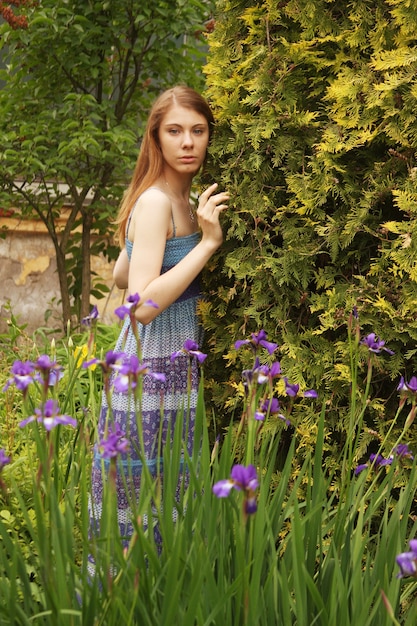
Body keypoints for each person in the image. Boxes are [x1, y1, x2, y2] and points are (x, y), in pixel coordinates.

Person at [88, 86, 229, 564]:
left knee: (167, 497)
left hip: (174, 363)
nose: (188, 142)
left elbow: (121, 273)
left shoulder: (182, 198)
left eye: (198, 130)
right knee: (140, 503)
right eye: (175, 131)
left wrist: (150, 247)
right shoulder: (155, 202)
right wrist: (206, 245)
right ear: (157, 138)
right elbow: (142, 305)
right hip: (149, 366)